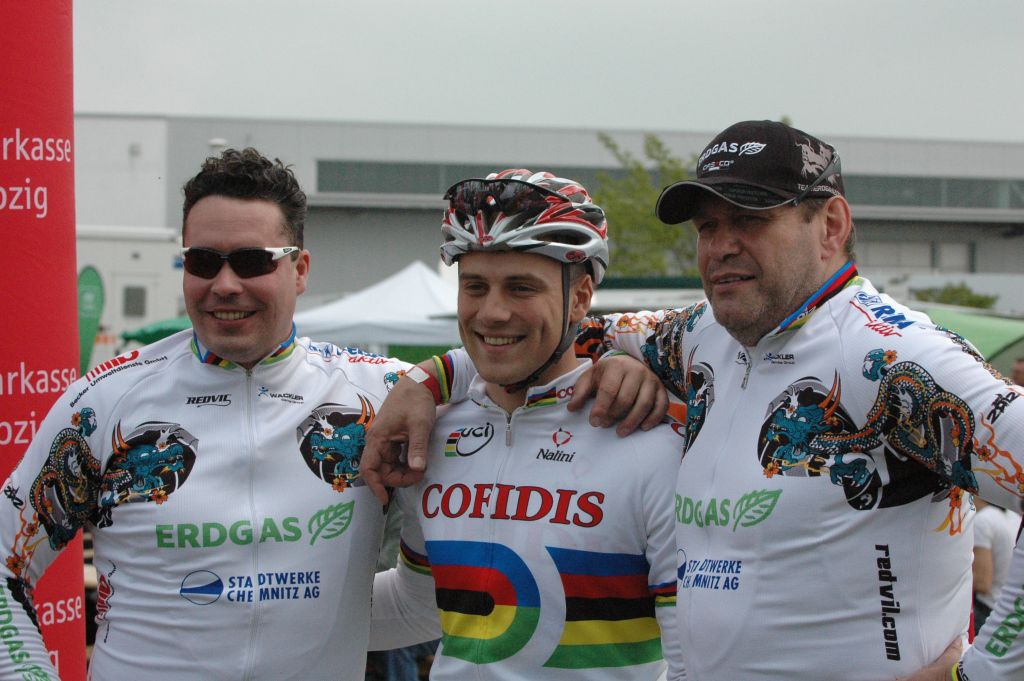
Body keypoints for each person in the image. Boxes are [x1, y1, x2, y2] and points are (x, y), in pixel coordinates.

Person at [361, 121, 1024, 680]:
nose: (722, 246)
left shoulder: (895, 356)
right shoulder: (703, 336)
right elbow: (545, 333)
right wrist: (427, 382)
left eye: (750, 220)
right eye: (708, 226)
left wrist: (980, 675)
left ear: (830, 224)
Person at [0, 148, 412, 679]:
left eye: (252, 261)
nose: (225, 284)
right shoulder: (104, 402)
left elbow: (497, 385)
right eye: (202, 261)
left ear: (300, 270)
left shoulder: (384, 395)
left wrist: (324, 618)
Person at [367, 170, 685, 680]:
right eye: (475, 286)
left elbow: (694, 652)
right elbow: (418, 607)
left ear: (580, 298)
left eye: (521, 288)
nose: (492, 313)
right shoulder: (433, 432)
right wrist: (252, 610)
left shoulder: (648, 435)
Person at [971, 497, 1021, 631]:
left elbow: (982, 583)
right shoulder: (1014, 517)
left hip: (988, 610)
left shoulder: (983, 520)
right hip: (1011, 611)